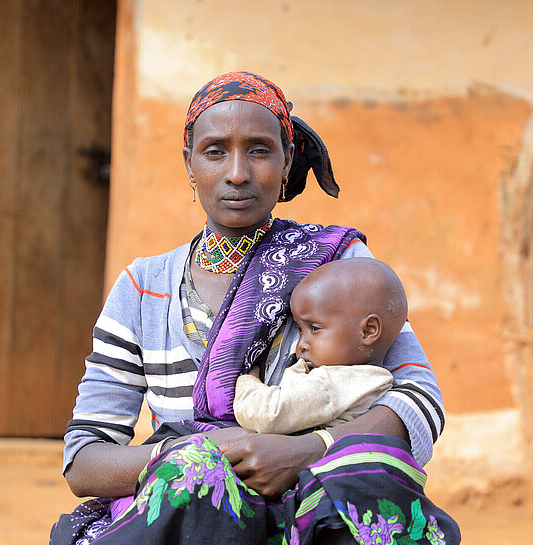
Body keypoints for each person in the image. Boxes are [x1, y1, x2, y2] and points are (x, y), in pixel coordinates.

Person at [51, 71, 460, 545]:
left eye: (260, 150)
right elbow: (84, 461)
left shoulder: (339, 267)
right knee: (198, 480)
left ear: (287, 160)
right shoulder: (143, 288)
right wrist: (205, 452)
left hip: (310, 505)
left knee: (370, 475)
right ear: (190, 163)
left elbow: (421, 401)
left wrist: (308, 449)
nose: (238, 172)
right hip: (189, 515)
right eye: (215, 151)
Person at [233, 258, 406, 435]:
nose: (301, 345)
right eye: (300, 330)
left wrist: (247, 381)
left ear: (368, 331)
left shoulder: (334, 384)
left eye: (314, 328)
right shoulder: (370, 380)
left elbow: (266, 415)